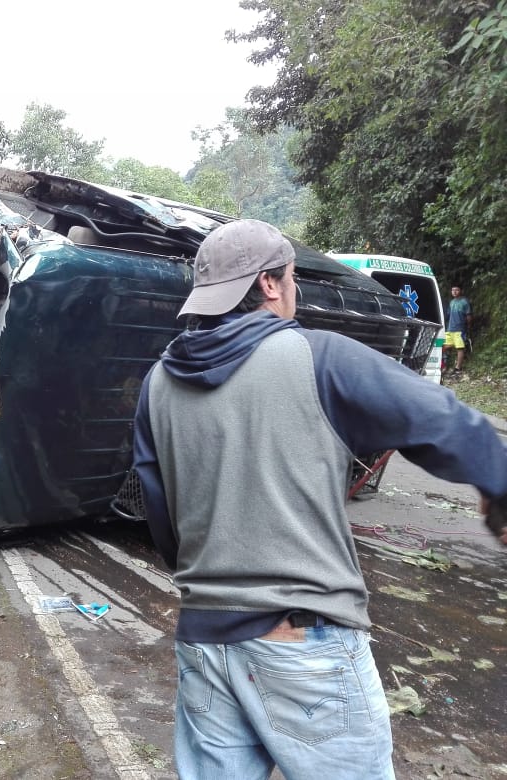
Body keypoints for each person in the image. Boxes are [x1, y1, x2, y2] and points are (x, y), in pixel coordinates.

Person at [132, 219, 507, 779]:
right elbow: (443, 421)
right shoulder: (319, 356)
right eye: (292, 278)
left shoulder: (158, 383)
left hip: (204, 640)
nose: (295, 291)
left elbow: (160, 514)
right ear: (269, 284)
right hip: (302, 643)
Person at [445, 284, 472, 374]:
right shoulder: (451, 302)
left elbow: (468, 316)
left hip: (460, 329)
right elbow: (448, 315)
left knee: (459, 348)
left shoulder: (465, 302)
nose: (454, 292)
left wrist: (468, 326)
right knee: (443, 346)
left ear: (461, 291)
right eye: (453, 290)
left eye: (456, 290)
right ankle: (443, 365)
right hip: (450, 328)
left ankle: (458, 367)